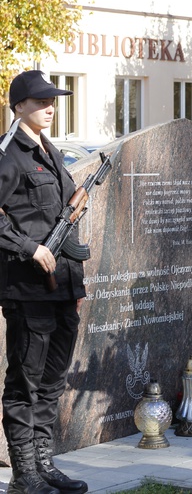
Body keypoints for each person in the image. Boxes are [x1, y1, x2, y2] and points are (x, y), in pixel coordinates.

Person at [0, 70, 89, 494]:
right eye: (39, 101)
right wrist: (28, 247)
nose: (50, 106)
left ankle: (44, 464)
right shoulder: (9, 154)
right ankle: (24, 476)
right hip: (27, 288)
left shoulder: (50, 151)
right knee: (25, 383)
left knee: (53, 381)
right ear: (18, 107)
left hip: (63, 287)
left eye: (52, 100)